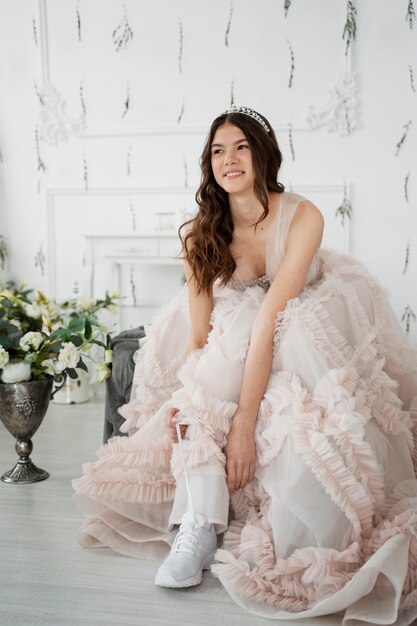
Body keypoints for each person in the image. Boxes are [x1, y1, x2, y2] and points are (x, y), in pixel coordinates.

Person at [73, 106, 417, 624]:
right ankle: (199, 527)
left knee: (263, 325)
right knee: (218, 347)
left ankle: (199, 523)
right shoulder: (201, 234)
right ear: (207, 163)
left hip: (303, 316)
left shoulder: (301, 216)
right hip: (232, 336)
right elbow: (198, 334)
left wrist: (244, 422)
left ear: (262, 154)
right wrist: (187, 393)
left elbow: (272, 317)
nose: (228, 159)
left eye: (240, 147)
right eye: (217, 150)